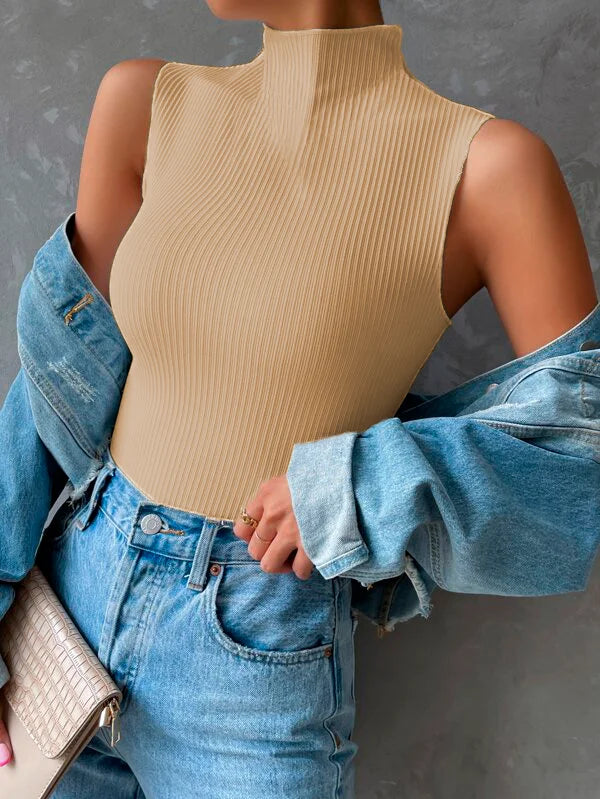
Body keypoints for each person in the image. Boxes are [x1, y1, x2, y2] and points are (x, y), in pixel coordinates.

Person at [0, 0, 597, 796]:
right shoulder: (146, 103)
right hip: (65, 610)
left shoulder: (488, 170)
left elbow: (575, 465)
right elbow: (56, 380)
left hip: (253, 660)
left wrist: (357, 488)